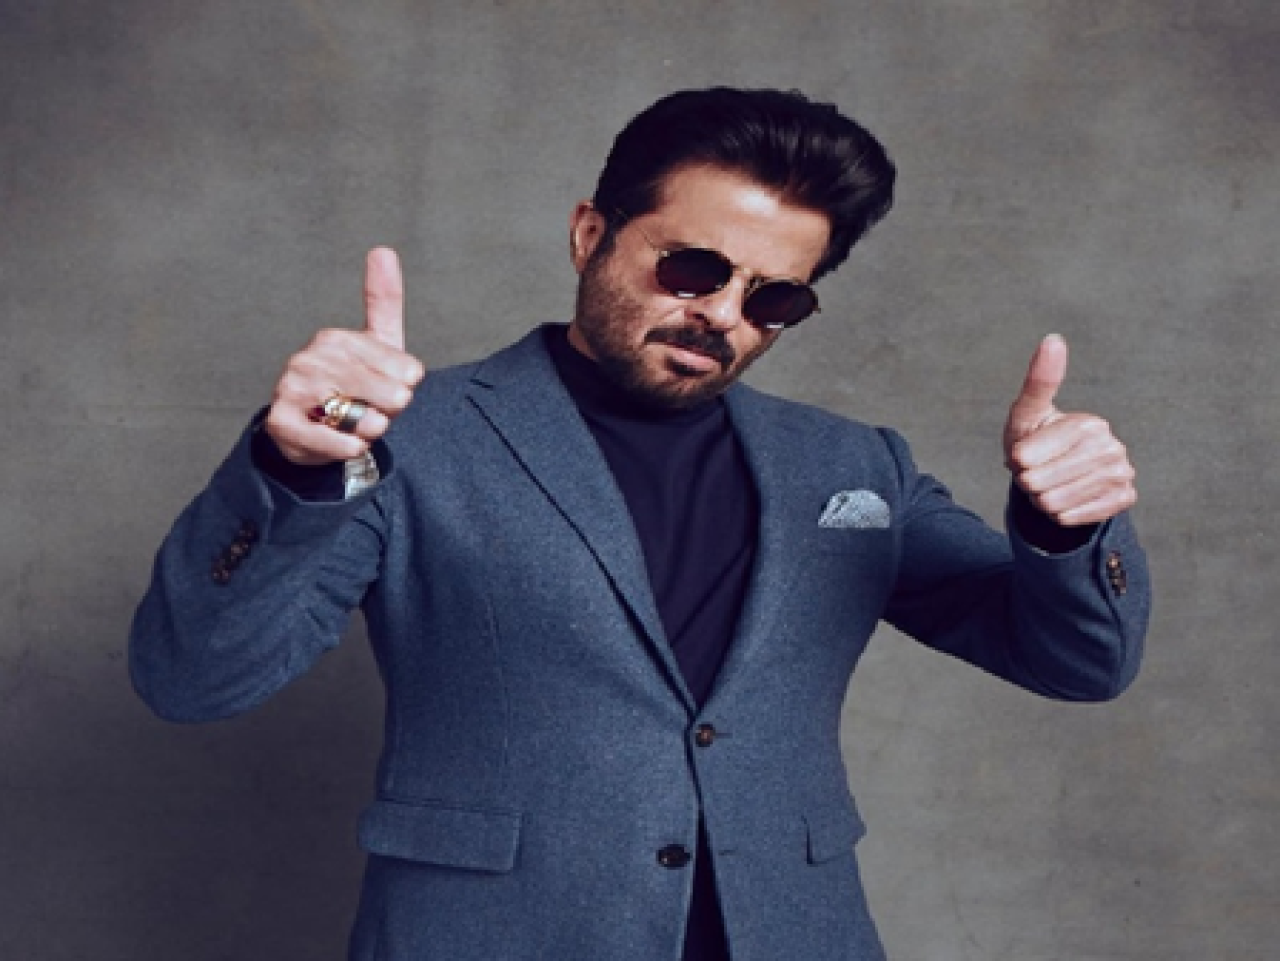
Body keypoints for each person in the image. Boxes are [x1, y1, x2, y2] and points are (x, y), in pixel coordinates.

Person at [130, 87, 1150, 961]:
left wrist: (1066, 528)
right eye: (692, 268)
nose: (724, 314)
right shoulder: (410, 439)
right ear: (591, 235)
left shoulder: (852, 466)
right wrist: (296, 471)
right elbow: (194, 676)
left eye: (775, 299)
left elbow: (1078, 662)